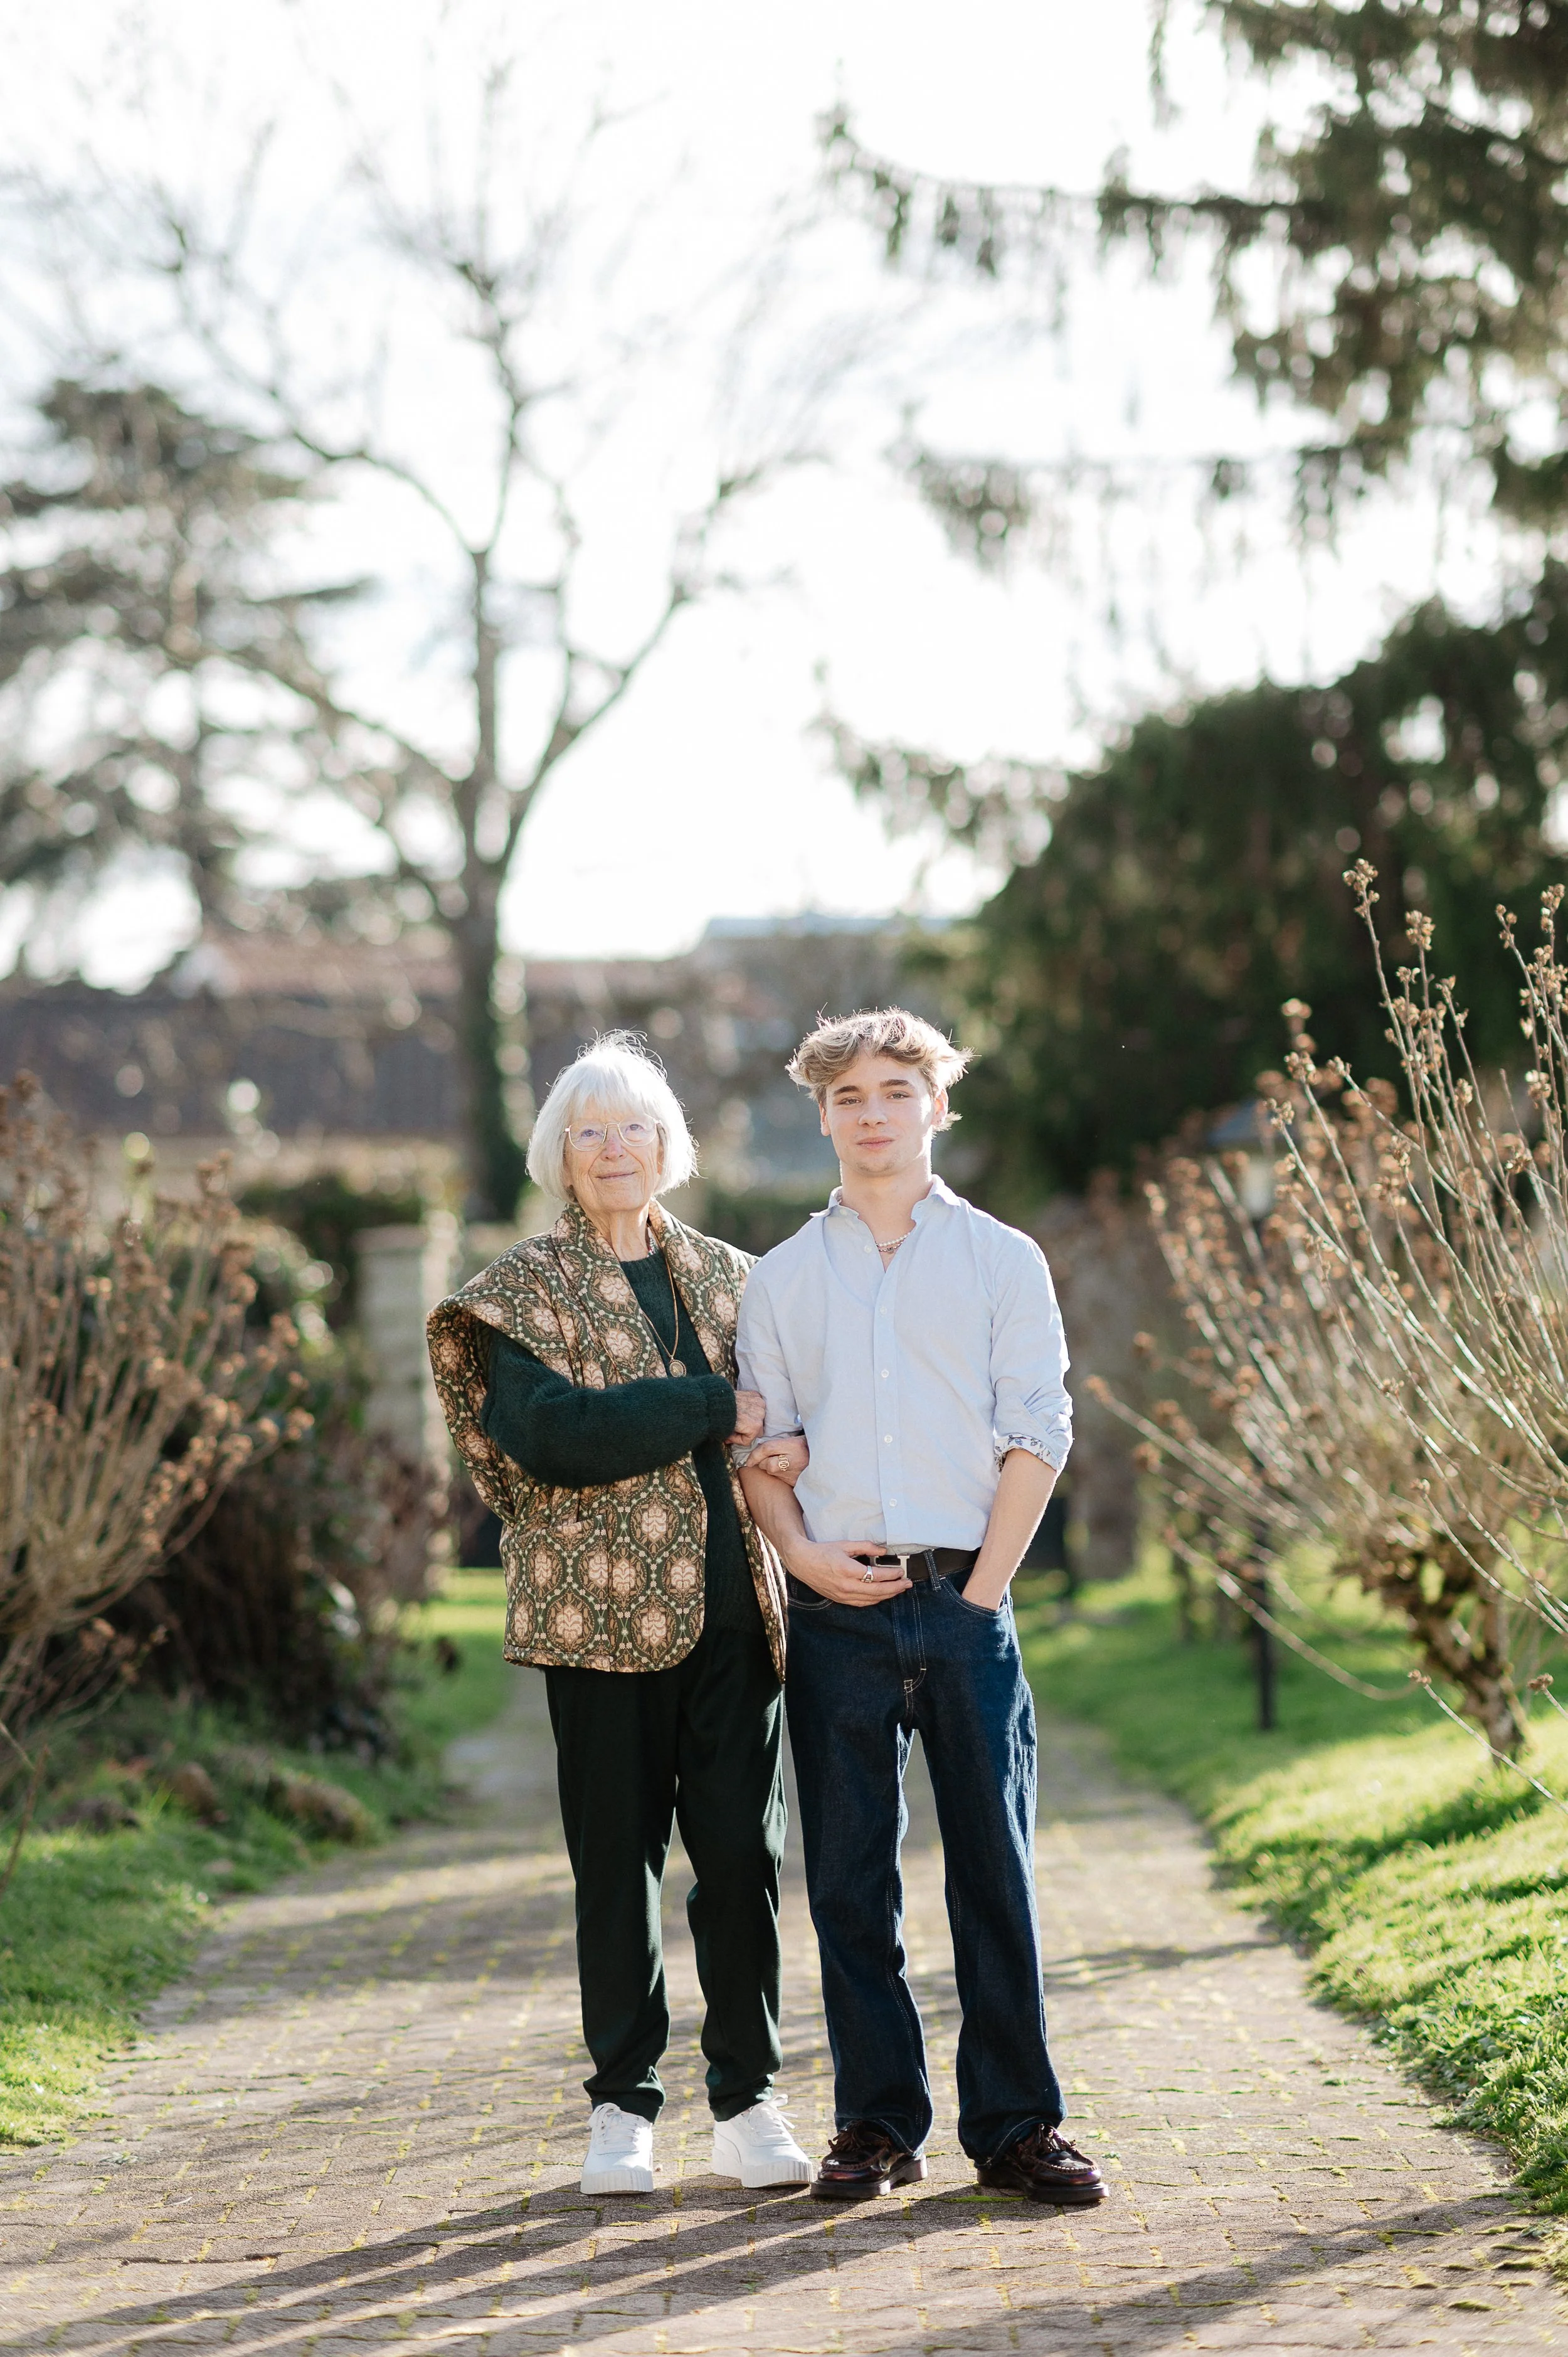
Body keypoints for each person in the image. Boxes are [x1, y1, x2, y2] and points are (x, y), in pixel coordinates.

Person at [427, 1034, 812, 2198]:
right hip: (594, 1624)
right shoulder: (516, 1293)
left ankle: (748, 2101)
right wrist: (713, 1404)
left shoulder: (740, 1279)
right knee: (616, 1865)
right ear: (558, 1153)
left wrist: (785, 1438)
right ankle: (622, 2108)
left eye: (632, 1126)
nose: (611, 1150)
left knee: (743, 1862)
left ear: (667, 1145)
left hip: (736, 1615)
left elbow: (799, 1418)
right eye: (587, 1130)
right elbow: (554, 1436)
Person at [737, 1008, 1107, 2208]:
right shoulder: (782, 1280)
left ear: (938, 1106)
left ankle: (1015, 2128)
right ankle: (876, 2124)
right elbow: (761, 1450)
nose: (874, 1114)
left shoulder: (1004, 1262)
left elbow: (1039, 1431)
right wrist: (801, 1561)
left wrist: (982, 1595)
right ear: (824, 1116)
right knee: (849, 1880)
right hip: (836, 1614)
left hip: (965, 1602)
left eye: (897, 1091)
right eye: (848, 1097)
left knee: (993, 1870)